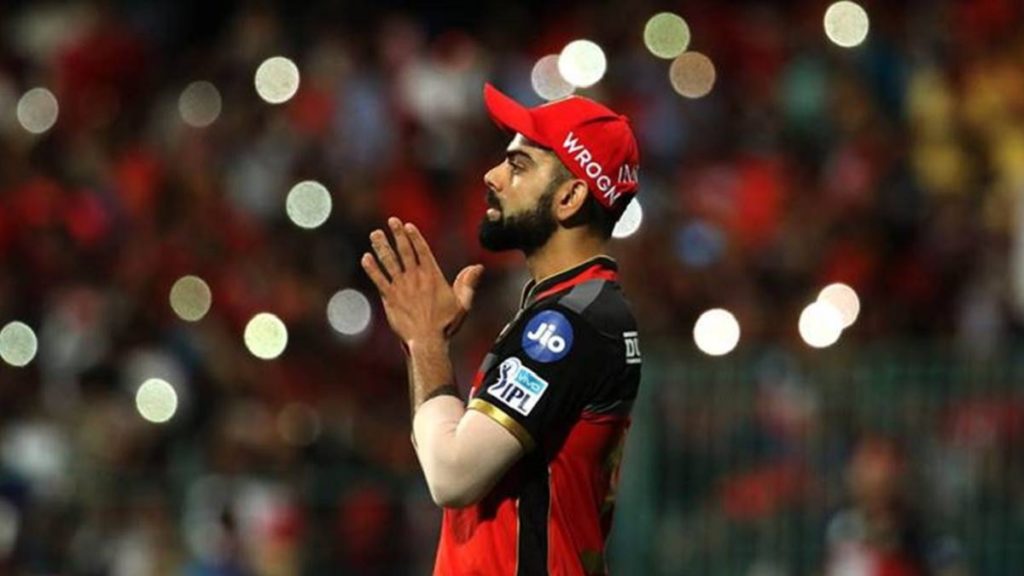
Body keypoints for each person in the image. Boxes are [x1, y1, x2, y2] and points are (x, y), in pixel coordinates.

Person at [362, 83, 642, 575]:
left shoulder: (569, 324)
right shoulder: (573, 308)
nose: (492, 176)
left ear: (570, 196)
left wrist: (426, 342)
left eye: (519, 165)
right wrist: (426, 344)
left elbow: (452, 475)